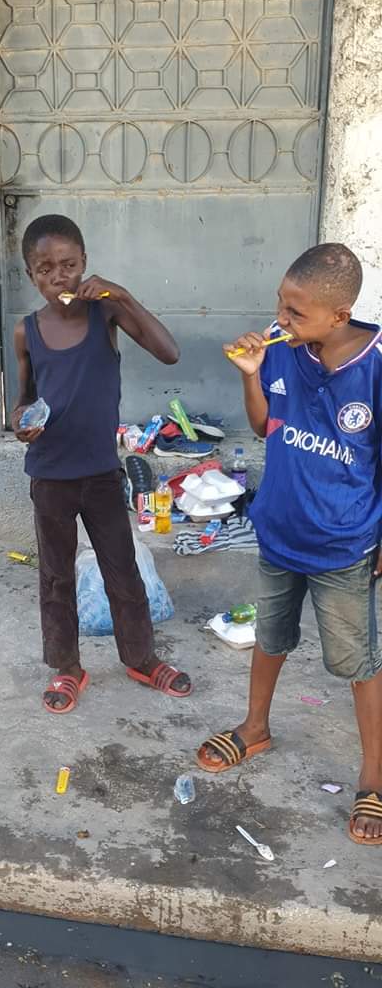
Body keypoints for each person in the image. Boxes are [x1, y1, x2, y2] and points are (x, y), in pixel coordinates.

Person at [195, 243, 382, 845]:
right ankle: (255, 728)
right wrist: (251, 377)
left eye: (297, 311)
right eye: (281, 303)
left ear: (340, 313)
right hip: (279, 531)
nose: (281, 317)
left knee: (356, 661)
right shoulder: (284, 348)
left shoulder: (376, 368)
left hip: (343, 544)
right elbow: (262, 425)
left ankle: (374, 780)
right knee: (270, 636)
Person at [11, 213, 192, 714]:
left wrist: (120, 295)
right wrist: (21, 421)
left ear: (85, 264)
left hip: (99, 472)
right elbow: (22, 400)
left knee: (123, 568)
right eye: (45, 269)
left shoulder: (104, 317)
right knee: (55, 576)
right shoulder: (27, 332)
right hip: (49, 473)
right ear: (31, 275)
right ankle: (67, 669)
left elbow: (169, 352)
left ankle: (141, 658)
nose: (58, 278)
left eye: (68, 265)